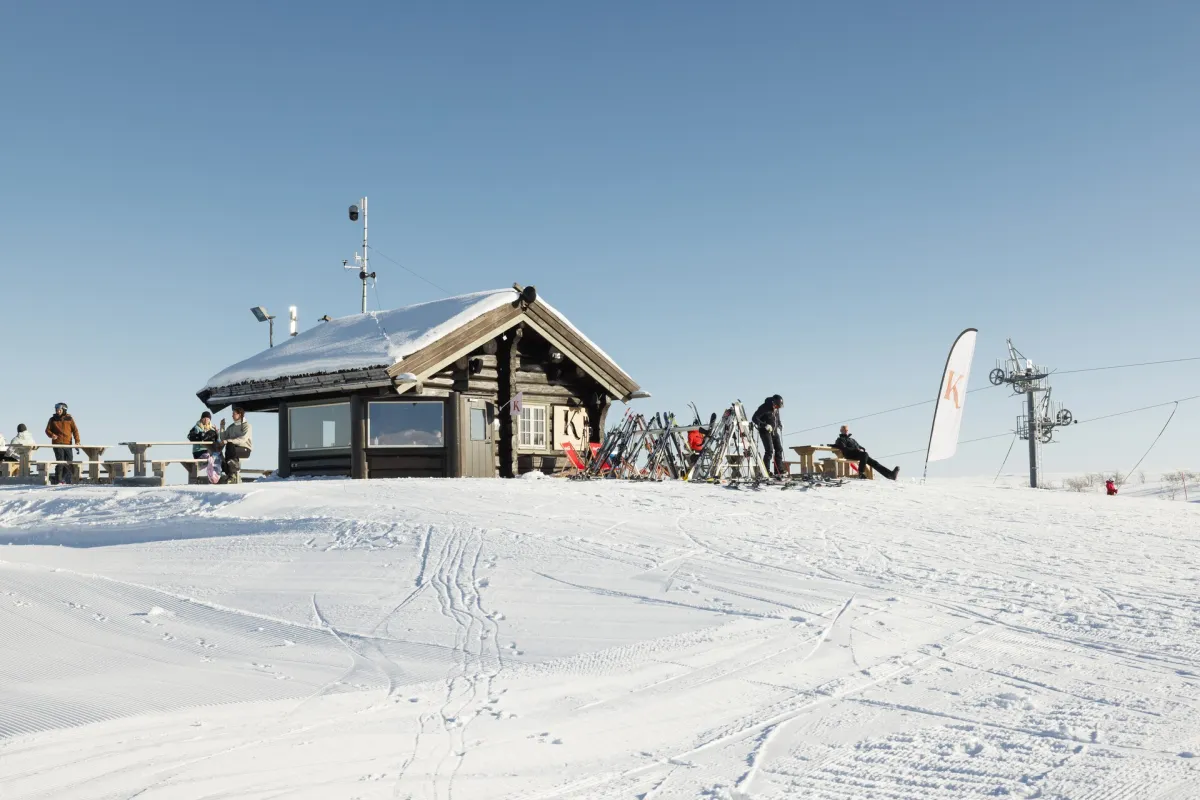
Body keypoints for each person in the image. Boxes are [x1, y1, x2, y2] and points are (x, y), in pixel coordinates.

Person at [832, 425, 899, 481]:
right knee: (865, 454)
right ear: (841, 431)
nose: (846, 431)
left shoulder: (851, 439)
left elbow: (857, 445)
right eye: (844, 430)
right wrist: (855, 449)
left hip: (858, 454)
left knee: (873, 462)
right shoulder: (840, 440)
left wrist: (861, 447)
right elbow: (844, 448)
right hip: (849, 454)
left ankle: (890, 475)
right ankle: (861, 473)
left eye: (846, 430)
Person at [45, 403, 81, 485]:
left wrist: (77, 441)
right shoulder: (52, 419)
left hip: (68, 443)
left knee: (69, 461)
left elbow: (75, 430)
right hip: (57, 443)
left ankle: (64, 479)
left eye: (60, 410)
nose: (58, 411)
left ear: (64, 410)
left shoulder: (69, 419)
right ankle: (58, 480)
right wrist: (52, 435)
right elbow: (47, 430)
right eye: (57, 410)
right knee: (60, 461)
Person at [751, 395, 785, 476]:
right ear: (773, 403)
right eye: (776, 406)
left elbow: (776, 418)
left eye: (779, 407)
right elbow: (754, 418)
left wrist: (779, 424)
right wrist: (764, 425)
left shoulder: (776, 408)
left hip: (774, 431)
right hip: (765, 431)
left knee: (779, 449)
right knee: (769, 450)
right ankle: (766, 471)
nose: (777, 408)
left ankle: (778, 471)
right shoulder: (764, 407)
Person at [219, 406, 253, 483]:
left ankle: (231, 474)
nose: (232, 416)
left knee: (229, 445)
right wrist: (222, 426)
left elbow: (242, 439)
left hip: (245, 449)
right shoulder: (231, 427)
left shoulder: (247, 426)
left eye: (234, 414)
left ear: (240, 415)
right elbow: (223, 438)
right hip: (232, 450)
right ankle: (231, 473)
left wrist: (228, 441)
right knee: (229, 447)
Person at [187, 411, 221, 482]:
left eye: (208, 419)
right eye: (204, 418)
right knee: (211, 458)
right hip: (199, 451)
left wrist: (217, 433)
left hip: (209, 450)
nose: (206, 420)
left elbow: (218, 441)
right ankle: (212, 476)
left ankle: (216, 475)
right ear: (201, 419)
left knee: (218, 457)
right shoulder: (196, 427)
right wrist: (199, 435)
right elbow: (189, 436)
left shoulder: (212, 428)